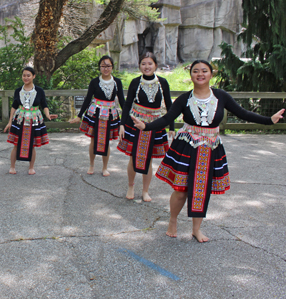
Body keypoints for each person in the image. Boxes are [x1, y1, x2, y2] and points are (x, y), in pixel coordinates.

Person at [132, 60, 284, 242]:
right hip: (186, 147)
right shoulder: (184, 99)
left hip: (210, 148)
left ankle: (196, 229)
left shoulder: (221, 96)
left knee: (201, 189)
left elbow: (243, 113)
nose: (200, 74)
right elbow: (167, 118)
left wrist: (269, 120)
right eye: (196, 71)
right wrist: (146, 126)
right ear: (191, 76)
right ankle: (173, 220)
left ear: (211, 74)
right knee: (181, 190)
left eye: (204, 71)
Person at [117, 52, 175, 202]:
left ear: (155, 65)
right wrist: (122, 124)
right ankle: (131, 186)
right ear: (139, 66)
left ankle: (145, 190)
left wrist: (172, 127)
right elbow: (127, 104)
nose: (147, 66)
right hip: (135, 124)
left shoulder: (163, 82)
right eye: (143, 63)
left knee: (148, 159)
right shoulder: (135, 82)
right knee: (133, 157)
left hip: (155, 125)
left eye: (150, 63)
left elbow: (170, 106)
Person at [69, 55, 125, 176]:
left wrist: (126, 120)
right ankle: (92, 165)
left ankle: (105, 167)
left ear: (112, 67)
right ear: (100, 67)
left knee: (107, 142)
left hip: (111, 114)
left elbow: (122, 101)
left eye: (108, 66)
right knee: (93, 140)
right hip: (95, 113)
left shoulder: (117, 82)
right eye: (103, 66)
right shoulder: (94, 82)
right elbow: (88, 98)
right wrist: (79, 115)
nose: (106, 68)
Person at [4, 67, 57, 175]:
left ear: (33, 76)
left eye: (28, 75)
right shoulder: (18, 91)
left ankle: (31, 167)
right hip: (20, 119)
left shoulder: (39, 91)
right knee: (16, 143)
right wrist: (10, 121)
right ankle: (12, 166)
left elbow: (44, 105)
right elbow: (14, 106)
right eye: (24, 75)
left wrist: (47, 115)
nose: (26, 77)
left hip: (34, 120)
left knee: (32, 144)